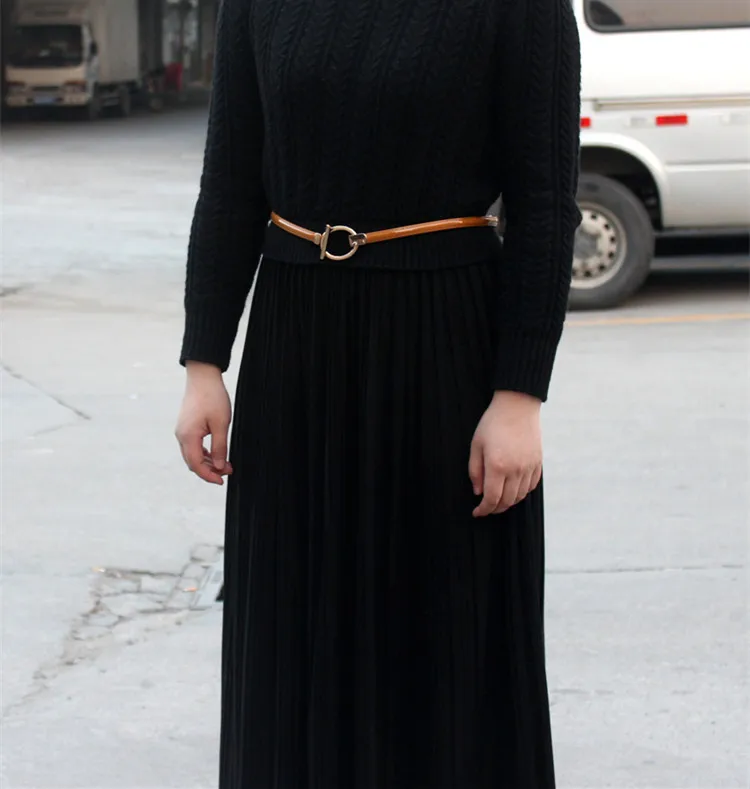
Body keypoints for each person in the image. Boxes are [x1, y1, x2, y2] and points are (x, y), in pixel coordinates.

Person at [175, 0, 582, 786]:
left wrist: (519, 395)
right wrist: (204, 362)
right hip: (294, 348)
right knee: (292, 632)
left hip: (446, 353)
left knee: (443, 635)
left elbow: (545, 204)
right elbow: (229, 179)